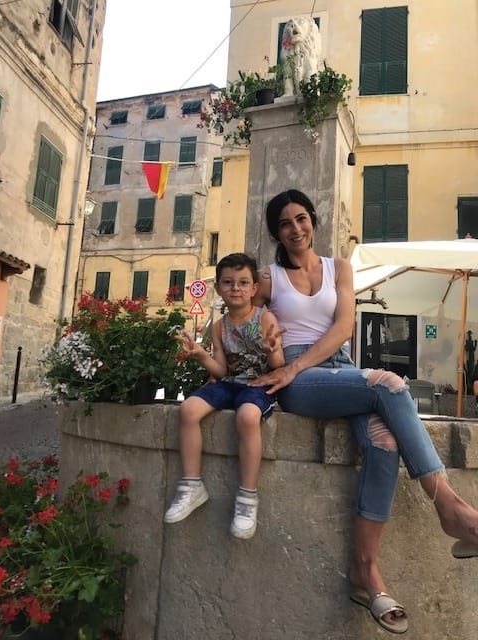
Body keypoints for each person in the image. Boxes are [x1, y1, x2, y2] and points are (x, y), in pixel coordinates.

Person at [250, 189, 478, 633]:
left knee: (384, 441)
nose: (295, 229)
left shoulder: (340, 267)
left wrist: (301, 362)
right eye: (284, 223)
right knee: (390, 383)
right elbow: (234, 320)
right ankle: (450, 508)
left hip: (339, 367)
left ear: (313, 220)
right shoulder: (267, 279)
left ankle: (365, 572)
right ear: (276, 232)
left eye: (301, 218)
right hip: (298, 380)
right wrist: (272, 357)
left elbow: (343, 328)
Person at [164, 253, 285, 540]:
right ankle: (192, 485)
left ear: (254, 288)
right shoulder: (219, 326)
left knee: (248, 416)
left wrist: (272, 350)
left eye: (243, 282)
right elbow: (221, 369)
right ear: (218, 288)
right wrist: (201, 355)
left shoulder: (264, 318)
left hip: (259, 385)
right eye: (228, 282)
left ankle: (247, 498)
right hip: (230, 383)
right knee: (189, 409)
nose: (236, 288)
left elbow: (278, 366)